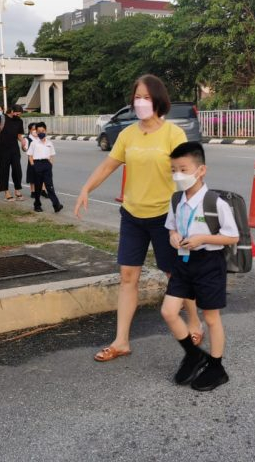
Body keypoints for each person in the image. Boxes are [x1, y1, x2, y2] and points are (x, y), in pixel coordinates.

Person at [75, 74, 192, 362]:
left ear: (159, 101)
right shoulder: (127, 135)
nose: (141, 102)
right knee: (128, 276)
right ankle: (121, 341)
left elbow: (188, 173)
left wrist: (191, 210)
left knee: (173, 274)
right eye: (137, 97)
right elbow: (108, 165)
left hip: (166, 217)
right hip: (132, 215)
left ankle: (195, 323)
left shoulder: (173, 134)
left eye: (147, 98)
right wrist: (86, 188)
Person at [161, 142, 239, 391]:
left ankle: (217, 367)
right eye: (173, 170)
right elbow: (171, 226)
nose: (178, 175)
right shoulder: (175, 199)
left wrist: (203, 238)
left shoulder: (215, 203)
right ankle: (194, 354)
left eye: (183, 169)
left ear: (201, 170)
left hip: (209, 264)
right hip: (183, 261)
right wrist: (173, 236)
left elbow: (232, 237)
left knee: (211, 318)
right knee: (168, 311)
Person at [0, 104, 27, 201]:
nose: (18, 115)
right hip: (2, 149)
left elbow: (19, 135)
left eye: (20, 114)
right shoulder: (2, 118)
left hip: (14, 148)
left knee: (17, 169)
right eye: (17, 113)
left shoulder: (19, 121)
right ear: (11, 111)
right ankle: (6, 192)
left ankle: (17, 190)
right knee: (4, 170)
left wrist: (23, 141)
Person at [27, 121, 63, 213]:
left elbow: (52, 155)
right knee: (38, 188)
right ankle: (37, 205)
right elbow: (30, 156)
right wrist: (33, 165)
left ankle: (56, 205)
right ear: (37, 132)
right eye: (39, 131)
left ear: (45, 131)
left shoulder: (49, 143)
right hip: (37, 164)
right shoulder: (34, 143)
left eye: (43, 130)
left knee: (49, 186)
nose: (41, 133)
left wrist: (50, 165)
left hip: (47, 165)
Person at [24, 122, 41, 198]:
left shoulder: (41, 137)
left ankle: (42, 190)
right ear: (30, 130)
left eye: (36, 129)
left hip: (41, 159)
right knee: (32, 176)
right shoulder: (27, 139)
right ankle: (32, 191)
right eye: (33, 129)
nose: (35, 131)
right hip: (32, 159)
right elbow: (27, 150)